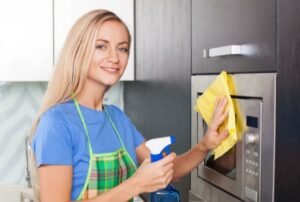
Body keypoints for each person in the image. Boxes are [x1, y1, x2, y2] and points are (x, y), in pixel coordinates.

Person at [30, 9, 229, 202]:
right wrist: (136, 184)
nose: (115, 58)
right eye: (101, 46)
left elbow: (167, 171)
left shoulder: (117, 118)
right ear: (78, 51)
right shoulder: (56, 123)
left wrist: (205, 145)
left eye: (122, 48)